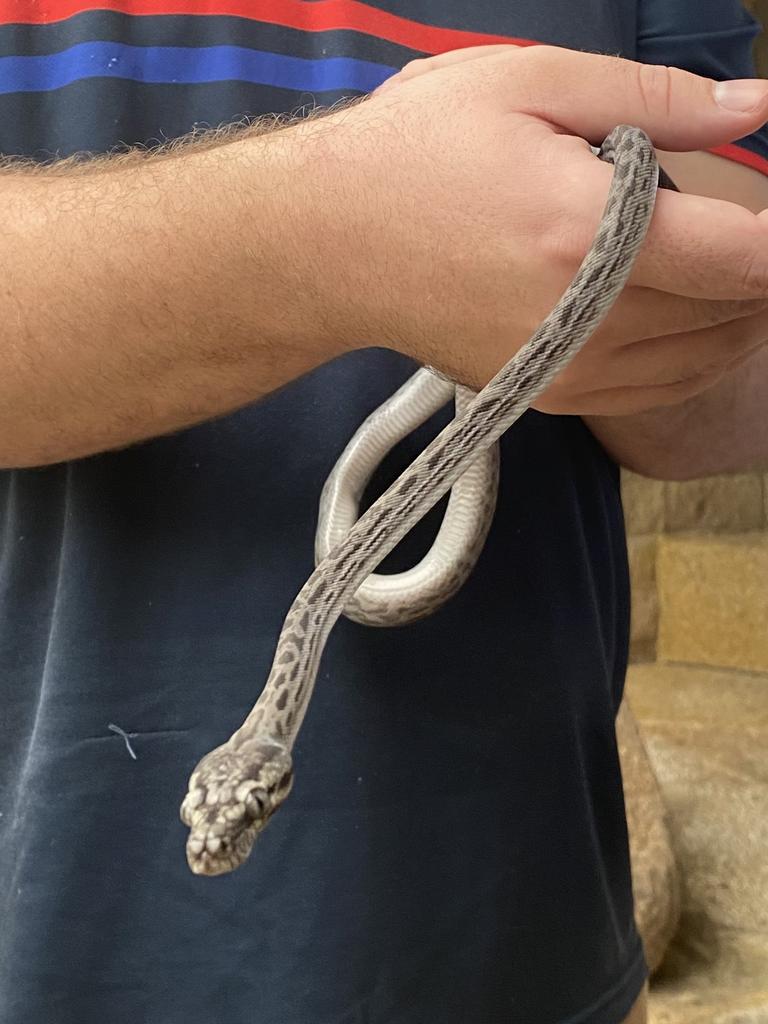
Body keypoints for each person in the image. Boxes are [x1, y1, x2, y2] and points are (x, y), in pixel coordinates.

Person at [0, 1, 767, 1021]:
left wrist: (651, 300)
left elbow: (720, 402)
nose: (217, 835)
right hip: (50, 949)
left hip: (523, 947)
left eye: (224, 810)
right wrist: (331, 237)